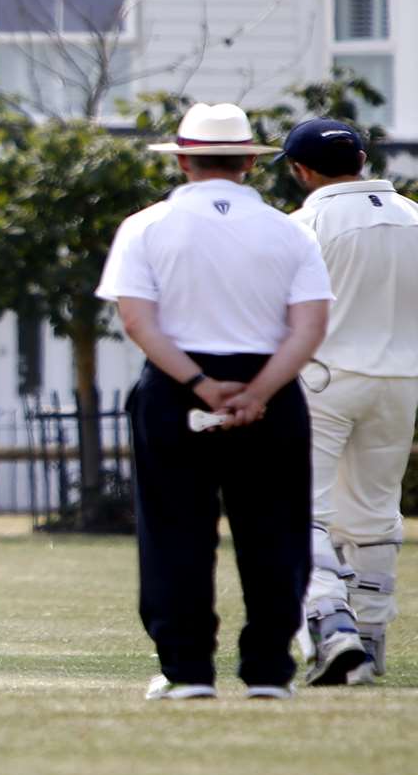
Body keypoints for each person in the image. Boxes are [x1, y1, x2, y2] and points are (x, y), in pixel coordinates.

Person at [96, 103, 332, 701]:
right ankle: (268, 672)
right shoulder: (288, 230)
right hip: (269, 386)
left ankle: (186, 671)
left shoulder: (146, 226)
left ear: (182, 160)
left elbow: (137, 320)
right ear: (251, 162)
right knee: (274, 530)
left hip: (177, 385)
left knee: (175, 530)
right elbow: (308, 327)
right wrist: (258, 392)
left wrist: (201, 385)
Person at [278, 118, 418, 685]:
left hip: (323, 379)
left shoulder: (304, 224)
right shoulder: (414, 218)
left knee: (300, 511)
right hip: (402, 380)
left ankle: (329, 624)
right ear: (362, 159)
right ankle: (371, 636)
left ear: (300, 170)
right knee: (376, 511)